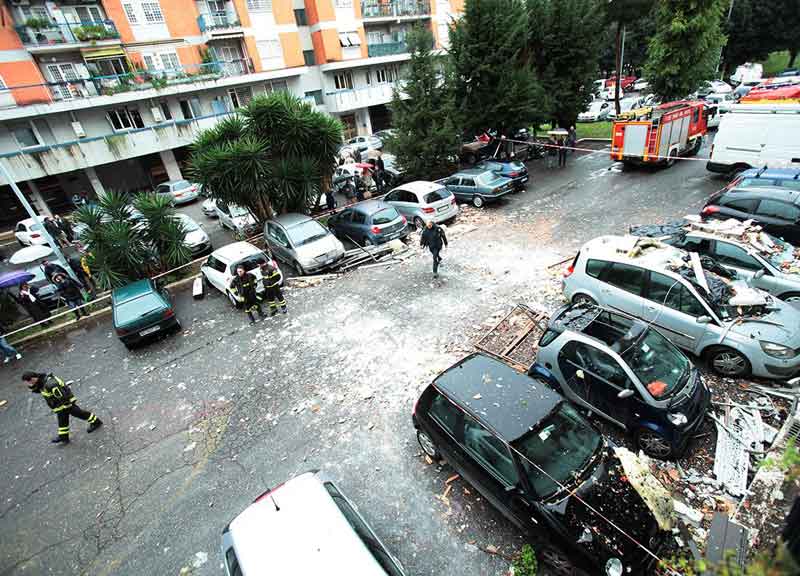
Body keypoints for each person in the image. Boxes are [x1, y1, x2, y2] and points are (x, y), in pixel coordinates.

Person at [22, 371, 102, 445]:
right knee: (62, 420)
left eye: (28, 383)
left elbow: (62, 395)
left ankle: (96, 422)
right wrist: (33, 388)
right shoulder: (42, 382)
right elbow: (41, 389)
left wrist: (67, 405)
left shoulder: (50, 384)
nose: (28, 385)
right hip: (60, 406)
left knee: (79, 414)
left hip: (65, 405)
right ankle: (63, 437)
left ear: (32, 379)